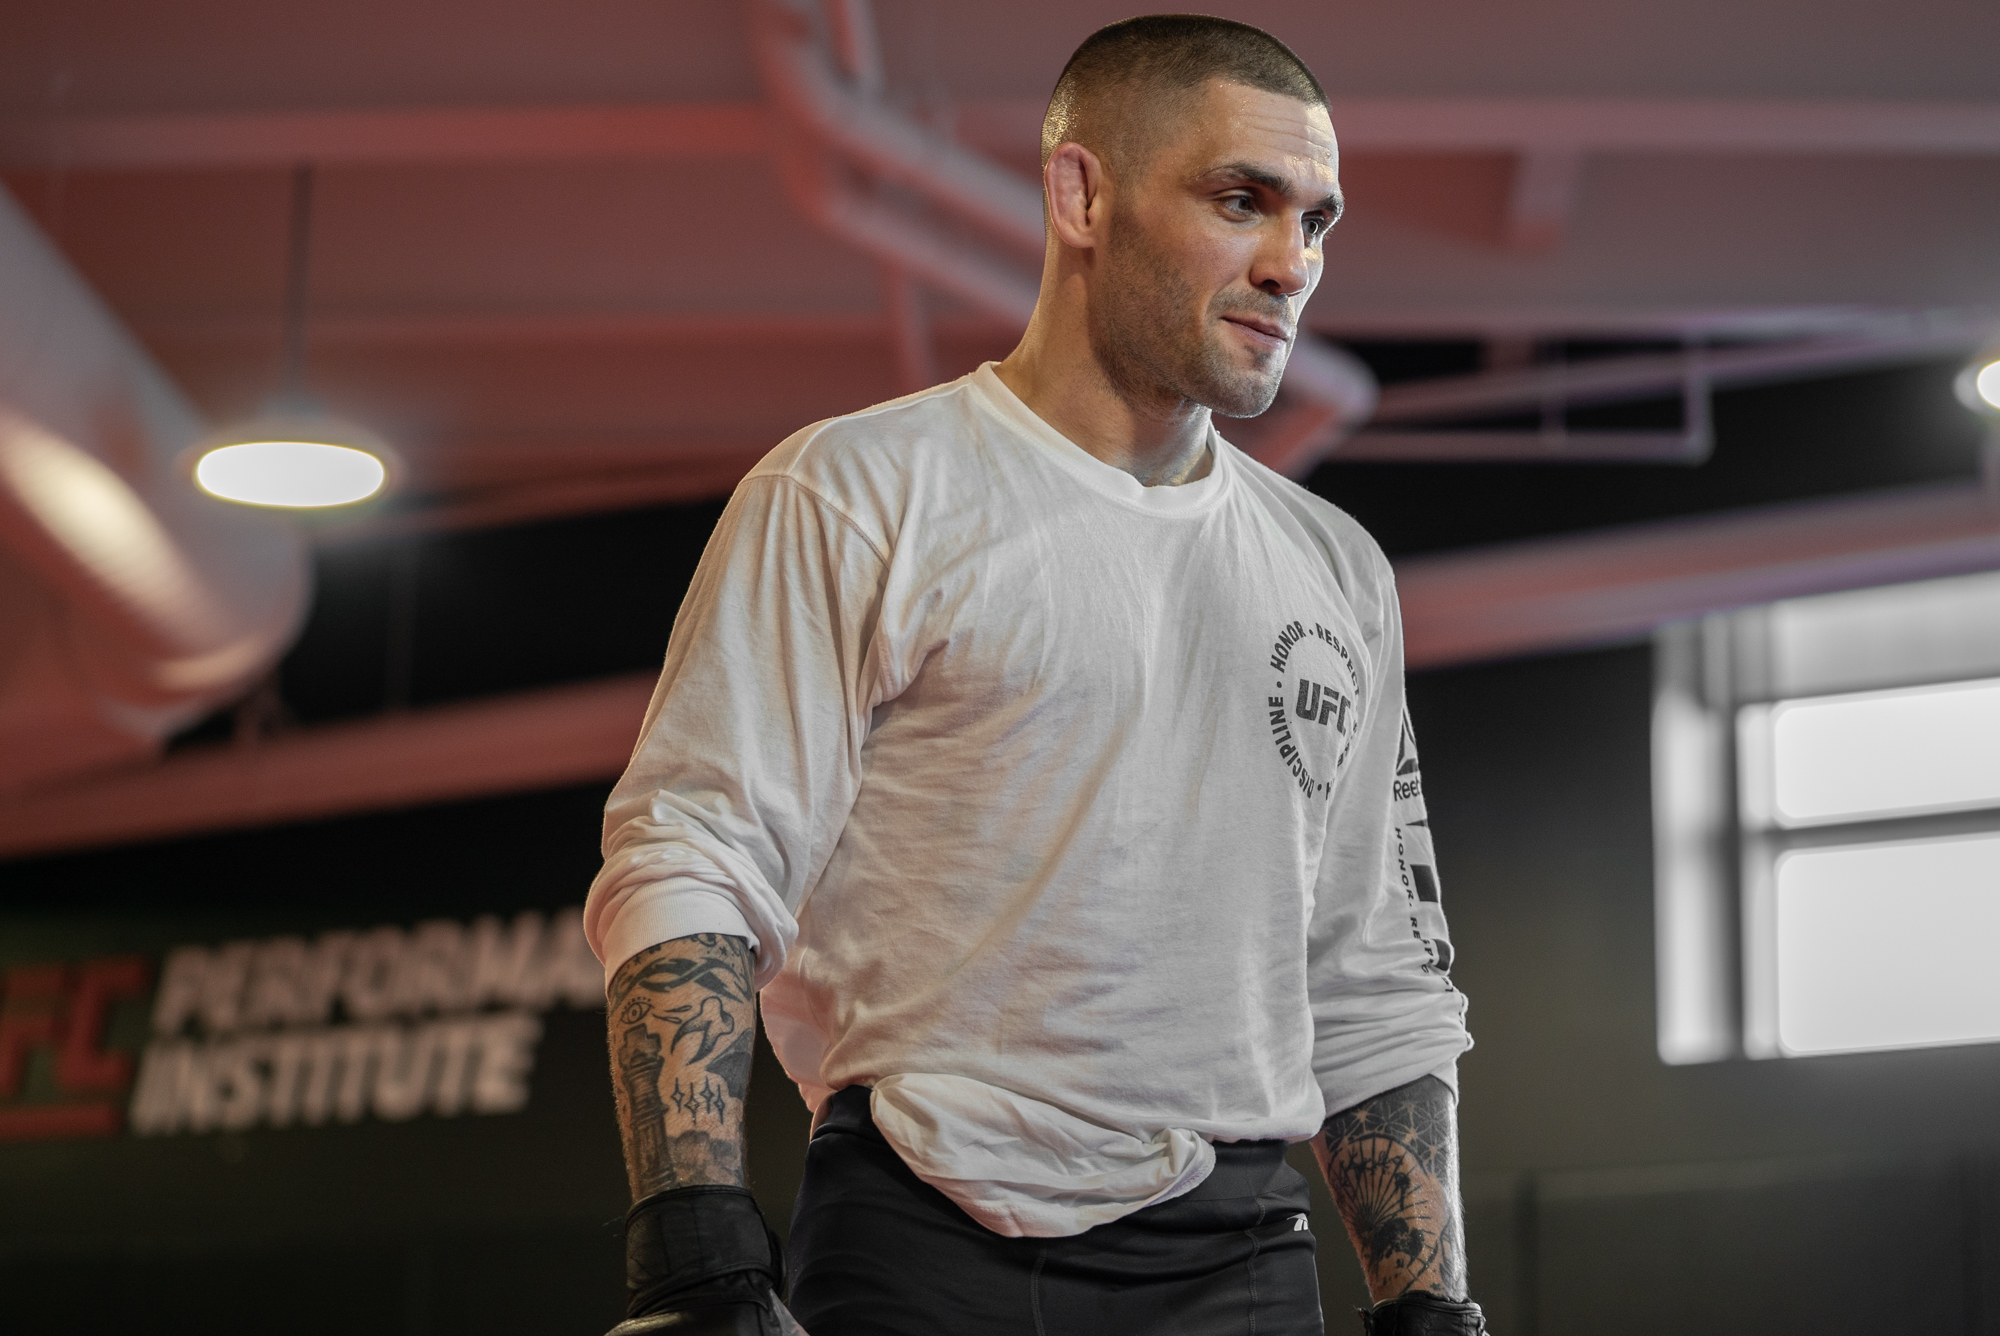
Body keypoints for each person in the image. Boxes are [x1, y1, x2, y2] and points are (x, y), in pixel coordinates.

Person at [585, 14, 1485, 1336]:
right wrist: (695, 1249)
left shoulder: (1335, 571)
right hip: (924, 1233)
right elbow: (693, 860)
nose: (1291, 263)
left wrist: (1431, 1312)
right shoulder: (859, 494)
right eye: (1243, 202)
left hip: (1237, 1252)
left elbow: (1374, 982)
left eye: (1317, 222)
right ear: (1081, 194)